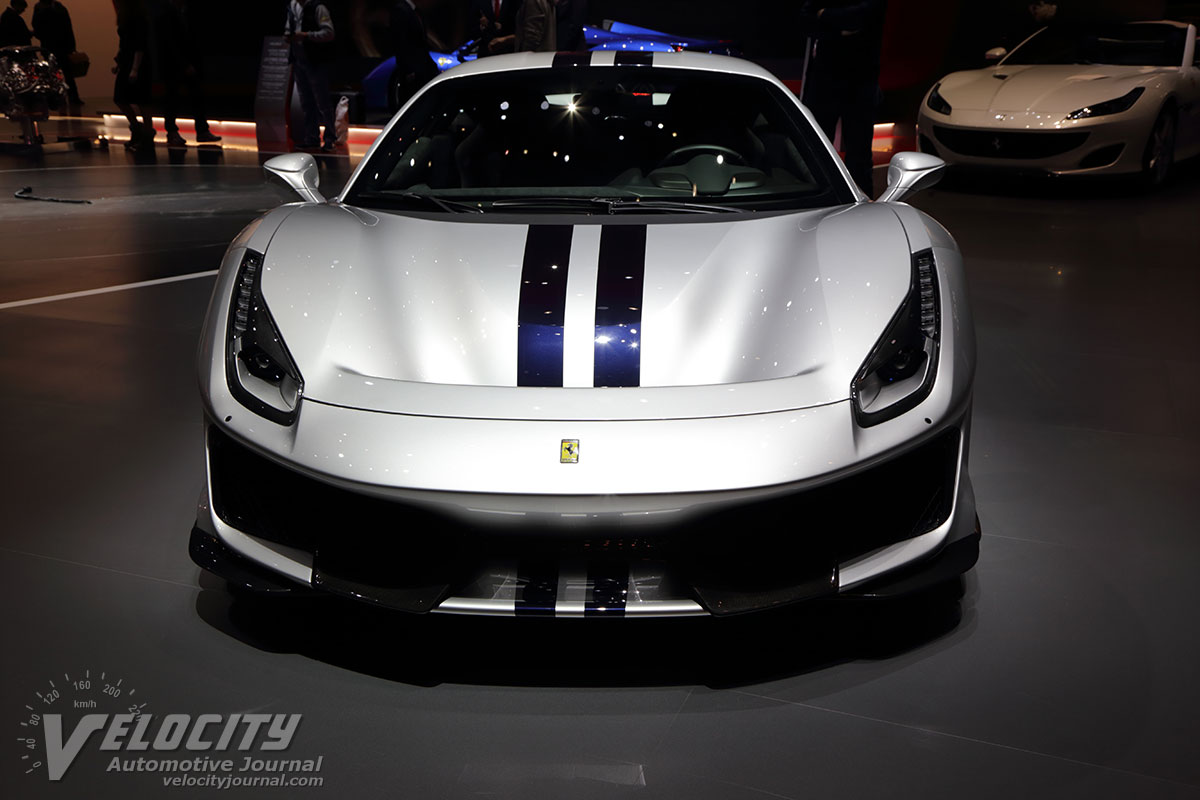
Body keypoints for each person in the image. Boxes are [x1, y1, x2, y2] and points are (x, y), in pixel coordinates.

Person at [799, 0, 887, 196]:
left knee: (859, 159)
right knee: (815, 151)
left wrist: (823, 14)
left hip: (860, 82)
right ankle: (813, 201)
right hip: (824, 81)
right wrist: (838, 30)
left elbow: (857, 18)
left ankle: (862, 208)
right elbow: (805, 20)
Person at [154, 0, 220, 146]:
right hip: (176, 64)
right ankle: (196, 131)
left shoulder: (173, 12)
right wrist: (185, 63)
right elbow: (171, 43)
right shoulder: (172, 13)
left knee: (180, 98)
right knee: (178, 98)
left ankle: (179, 132)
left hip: (178, 63)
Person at [284, 0, 337, 151]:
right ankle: (312, 137)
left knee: (323, 102)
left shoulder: (318, 7)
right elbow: (288, 27)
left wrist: (307, 35)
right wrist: (288, 36)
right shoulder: (292, 6)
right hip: (298, 61)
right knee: (306, 103)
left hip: (315, 61)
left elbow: (329, 33)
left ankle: (330, 138)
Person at [112, 0, 153, 150]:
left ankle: (145, 132)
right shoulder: (128, 15)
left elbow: (139, 45)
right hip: (129, 61)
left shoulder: (137, 18)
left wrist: (135, 68)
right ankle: (140, 129)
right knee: (122, 98)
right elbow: (125, 43)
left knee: (141, 100)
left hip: (138, 63)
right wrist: (119, 62)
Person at [389, 0, 438, 111]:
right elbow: (401, 43)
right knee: (410, 103)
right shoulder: (401, 10)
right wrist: (408, 70)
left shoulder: (415, 11)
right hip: (413, 70)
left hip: (422, 67)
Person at [31, 0, 79, 103]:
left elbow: (37, 27)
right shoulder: (59, 8)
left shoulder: (40, 9)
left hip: (49, 46)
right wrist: (72, 46)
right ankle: (72, 97)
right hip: (62, 46)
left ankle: (56, 98)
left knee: (52, 74)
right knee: (67, 73)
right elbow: (68, 27)